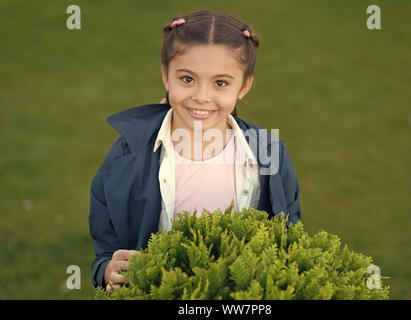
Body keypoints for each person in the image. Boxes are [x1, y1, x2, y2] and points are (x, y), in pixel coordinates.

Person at [89, 10, 301, 292]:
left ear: (245, 85)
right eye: (187, 79)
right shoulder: (127, 154)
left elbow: (290, 236)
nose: (201, 96)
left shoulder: (269, 151)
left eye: (220, 83)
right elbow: (104, 254)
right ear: (166, 75)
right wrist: (106, 271)